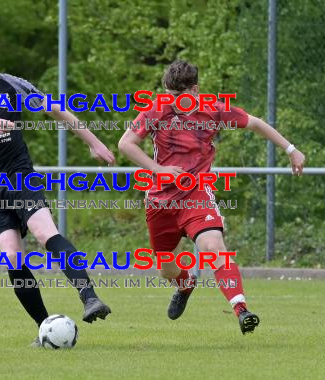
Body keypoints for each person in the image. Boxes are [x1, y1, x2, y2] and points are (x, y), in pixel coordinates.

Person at [0, 31, 116, 345]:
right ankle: (44, 328)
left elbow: (55, 108)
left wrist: (94, 142)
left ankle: (90, 298)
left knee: (44, 232)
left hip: (19, 175)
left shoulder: (11, 84)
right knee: (12, 257)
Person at [118, 59, 306, 334]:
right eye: (169, 95)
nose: (172, 101)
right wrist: (157, 169)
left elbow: (255, 124)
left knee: (213, 245)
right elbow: (126, 143)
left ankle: (241, 310)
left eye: (178, 96)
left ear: (195, 91)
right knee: (166, 268)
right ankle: (185, 285)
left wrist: (291, 149)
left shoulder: (214, 110)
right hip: (160, 201)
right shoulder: (157, 109)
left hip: (196, 194)